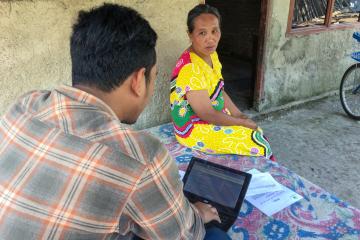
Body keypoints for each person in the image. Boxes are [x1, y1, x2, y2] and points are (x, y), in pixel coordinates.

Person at [0, 4, 231, 240]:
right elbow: (182, 235)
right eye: (154, 76)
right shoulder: (142, 157)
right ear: (139, 79)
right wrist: (197, 214)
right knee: (215, 236)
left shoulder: (24, 105)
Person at [170, 4, 274, 159]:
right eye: (202, 33)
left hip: (210, 114)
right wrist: (241, 123)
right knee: (257, 143)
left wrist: (239, 115)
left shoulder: (212, 56)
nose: (210, 39)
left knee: (255, 131)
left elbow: (219, 91)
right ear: (190, 35)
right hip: (194, 127)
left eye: (214, 31)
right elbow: (206, 113)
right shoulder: (191, 68)